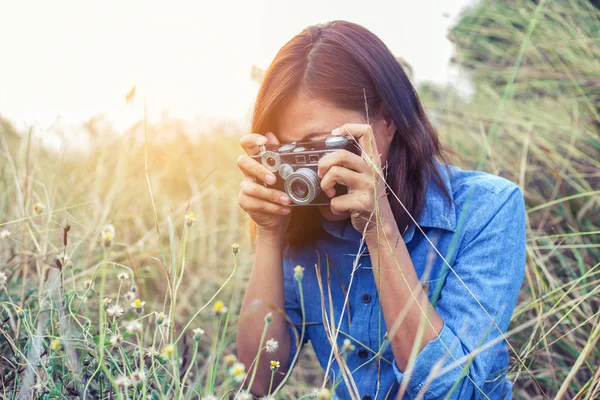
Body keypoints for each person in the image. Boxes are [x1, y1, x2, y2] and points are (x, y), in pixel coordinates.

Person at [236, 20, 526, 400]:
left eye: (322, 147)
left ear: (388, 121)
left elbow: (450, 392)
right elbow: (259, 382)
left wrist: (380, 231)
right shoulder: (300, 222)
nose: (312, 174)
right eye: (293, 155)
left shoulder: (487, 208)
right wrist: (270, 236)